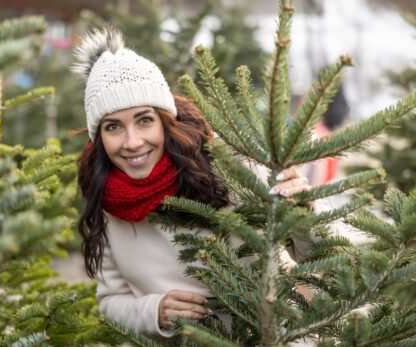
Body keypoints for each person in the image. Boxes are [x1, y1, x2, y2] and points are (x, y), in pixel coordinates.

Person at [72, 28, 312, 338]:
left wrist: (305, 210)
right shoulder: (106, 196)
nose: (132, 142)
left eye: (144, 120)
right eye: (113, 126)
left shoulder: (229, 165)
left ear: (164, 121)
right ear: (99, 137)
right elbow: (111, 301)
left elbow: (317, 255)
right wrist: (153, 311)